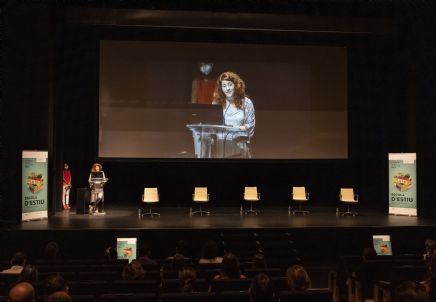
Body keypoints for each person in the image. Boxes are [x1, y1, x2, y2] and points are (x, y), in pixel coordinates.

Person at [212, 71, 255, 158]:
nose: (227, 88)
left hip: (240, 147)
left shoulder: (246, 102)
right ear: (221, 88)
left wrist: (238, 129)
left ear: (236, 85)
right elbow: (212, 125)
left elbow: (250, 125)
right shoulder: (217, 103)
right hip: (221, 147)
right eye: (224, 86)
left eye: (230, 85)